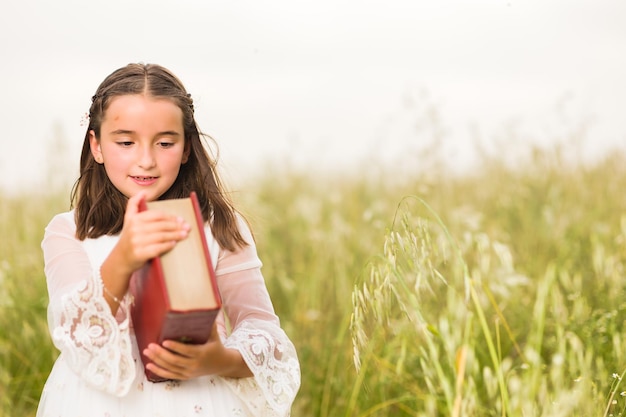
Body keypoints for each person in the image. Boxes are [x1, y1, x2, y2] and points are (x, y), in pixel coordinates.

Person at [36, 63, 300, 417]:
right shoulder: (70, 231)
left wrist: (219, 359)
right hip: (96, 404)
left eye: (165, 142)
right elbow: (75, 333)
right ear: (96, 145)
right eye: (126, 142)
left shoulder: (218, 227)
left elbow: (264, 331)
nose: (146, 160)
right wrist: (124, 257)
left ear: (187, 147)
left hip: (201, 401)